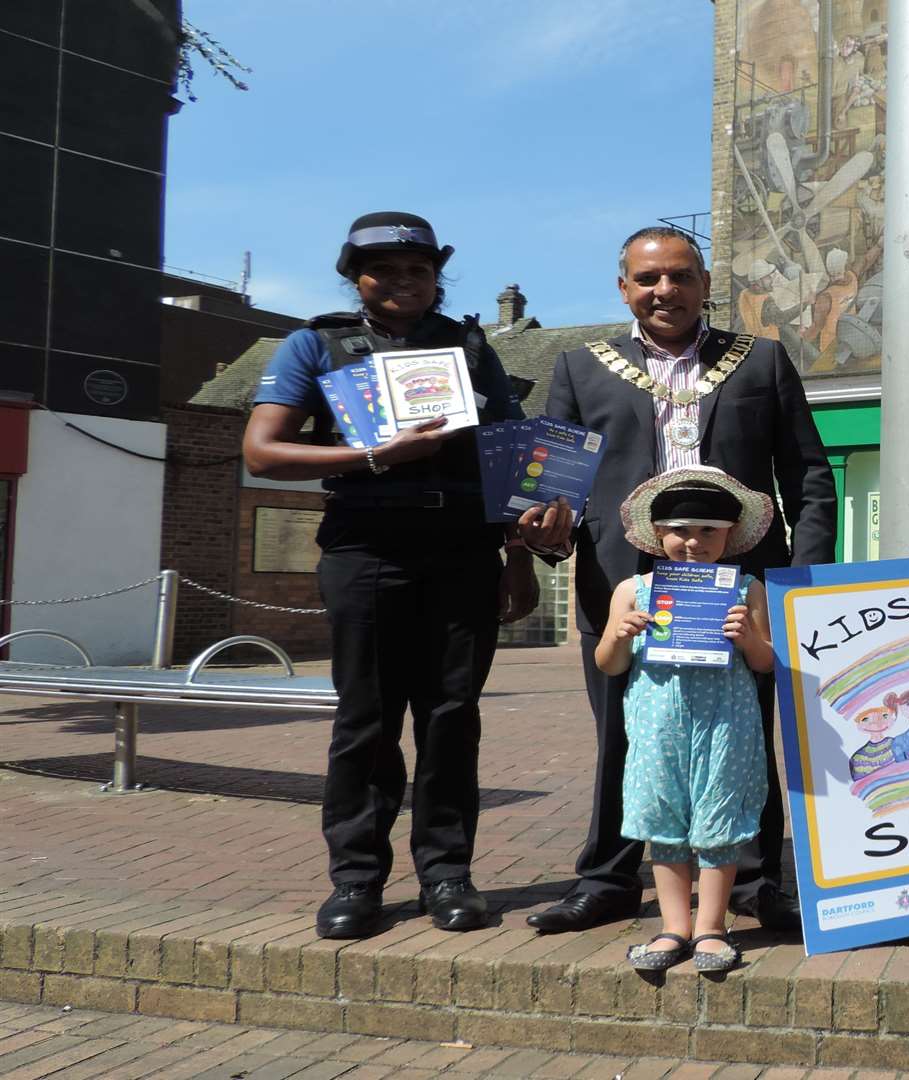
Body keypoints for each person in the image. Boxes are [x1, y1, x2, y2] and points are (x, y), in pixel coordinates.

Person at [241, 212, 573, 940]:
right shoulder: (315, 345)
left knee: (452, 719)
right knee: (366, 722)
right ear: (352, 276)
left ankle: (448, 875)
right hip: (367, 547)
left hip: (460, 548)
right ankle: (356, 881)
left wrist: (518, 559)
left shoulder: (472, 348)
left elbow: (510, 458)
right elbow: (262, 452)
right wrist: (372, 456)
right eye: (382, 269)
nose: (401, 282)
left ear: (436, 277)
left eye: (416, 270)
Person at [531, 226, 836, 935]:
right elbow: (555, 487)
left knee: (746, 731)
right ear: (624, 288)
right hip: (623, 578)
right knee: (624, 732)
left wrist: (796, 580)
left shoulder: (761, 361)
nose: (663, 290)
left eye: (678, 276)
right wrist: (540, 532)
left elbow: (809, 476)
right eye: (647, 279)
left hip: (743, 578)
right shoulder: (578, 368)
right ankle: (608, 879)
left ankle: (756, 882)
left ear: (703, 283)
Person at [602, 467, 775, 974]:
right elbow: (609, 665)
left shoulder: (747, 589)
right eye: (681, 530)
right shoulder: (632, 590)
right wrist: (619, 635)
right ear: (659, 534)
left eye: (708, 531)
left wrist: (747, 639)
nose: (693, 542)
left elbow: (766, 661)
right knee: (663, 817)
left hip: (725, 721)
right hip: (658, 723)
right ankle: (674, 925)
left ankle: (712, 927)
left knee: (719, 814)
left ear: (729, 535)